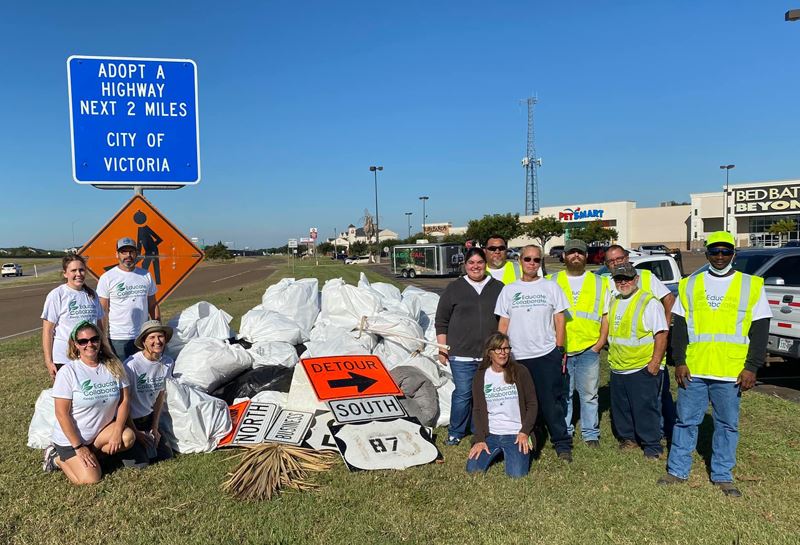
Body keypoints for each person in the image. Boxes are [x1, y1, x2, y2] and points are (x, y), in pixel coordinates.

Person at [658, 231, 770, 497]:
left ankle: (722, 474)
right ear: (706, 253)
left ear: (734, 253)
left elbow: (760, 330)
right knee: (685, 421)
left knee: (727, 424)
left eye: (726, 251)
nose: (720, 257)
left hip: (731, 371)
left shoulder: (752, 285)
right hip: (695, 369)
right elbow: (681, 328)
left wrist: (752, 367)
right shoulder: (689, 285)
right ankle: (677, 470)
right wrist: (680, 362)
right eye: (715, 252)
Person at [496, 245, 574, 462]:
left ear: (541, 263)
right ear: (520, 261)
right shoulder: (509, 290)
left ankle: (562, 443)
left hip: (546, 353)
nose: (532, 263)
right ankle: (531, 439)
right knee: (522, 403)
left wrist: (559, 348)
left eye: (536, 260)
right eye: (528, 259)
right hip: (517, 356)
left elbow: (560, 319)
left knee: (551, 402)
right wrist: (499, 351)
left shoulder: (551, 287)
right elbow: (504, 322)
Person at [42, 321, 135, 485]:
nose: (89, 344)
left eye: (94, 339)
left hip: (98, 433)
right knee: (91, 479)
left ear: (100, 340)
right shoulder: (68, 372)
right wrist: (78, 447)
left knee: (127, 437)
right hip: (71, 440)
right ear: (75, 345)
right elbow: (61, 413)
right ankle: (55, 458)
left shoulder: (114, 365)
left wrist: (117, 431)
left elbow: (124, 400)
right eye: (83, 341)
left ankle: (93, 452)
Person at [604, 244, 677, 439]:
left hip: (649, 355)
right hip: (622, 361)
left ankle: (662, 434)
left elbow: (669, 299)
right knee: (629, 402)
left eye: (619, 259)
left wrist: (664, 328)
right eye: (611, 261)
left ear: (627, 257)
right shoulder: (609, 283)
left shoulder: (645, 277)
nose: (615, 263)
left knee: (656, 398)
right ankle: (635, 437)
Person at [435, 247, 504, 446]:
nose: (476, 266)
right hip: (461, 354)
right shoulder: (454, 288)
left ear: (486, 264)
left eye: (479, 262)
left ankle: (479, 429)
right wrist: (442, 347)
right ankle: (455, 431)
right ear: (465, 265)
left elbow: (505, 318)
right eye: (471, 263)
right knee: (464, 393)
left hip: (488, 354)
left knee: (483, 394)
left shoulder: (497, 287)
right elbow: (442, 320)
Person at [548, 239, 609, 447]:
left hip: (588, 349)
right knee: (564, 394)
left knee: (589, 394)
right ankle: (565, 431)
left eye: (580, 253)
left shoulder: (599, 282)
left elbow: (605, 316)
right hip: (561, 349)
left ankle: (590, 434)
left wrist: (599, 344)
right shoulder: (551, 281)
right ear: (564, 256)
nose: (576, 256)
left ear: (586, 256)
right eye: (571, 252)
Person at [466, 332, 538, 478]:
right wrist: (480, 439)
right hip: (491, 434)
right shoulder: (481, 376)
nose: (503, 353)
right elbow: (478, 410)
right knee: (472, 470)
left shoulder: (520, 371)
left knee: (517, 475)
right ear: (489, 353)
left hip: (516, 434)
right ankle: (499, 451)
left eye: (506, 349)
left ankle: (510, 451)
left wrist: (525, 431)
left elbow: (532, 404)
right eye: (498, 349)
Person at [41, 254, 104, 381]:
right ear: (65, 273)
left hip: (88, 357)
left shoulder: (92, 295)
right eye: (73, 270)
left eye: (81, 270)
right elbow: (47, 331)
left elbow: (99, 327)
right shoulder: (57, 295)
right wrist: (49, 361)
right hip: (64, 359)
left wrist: (104, 350)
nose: (78, 274)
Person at [122, 320, 175, 467]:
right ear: (144, 342)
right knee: (140, 464)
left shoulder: (167, 363)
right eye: (152, 338)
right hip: (131, 421)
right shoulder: (131, 366)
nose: (157, 341)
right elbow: (122, 402)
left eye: (160, 337)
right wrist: (136, 432)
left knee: (165, 457)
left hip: (149, 420)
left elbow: (160, 396)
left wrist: (155, 427)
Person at [97, 237, 159, 361]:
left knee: (143, 374)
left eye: (131, 251)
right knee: (123, 375)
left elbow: (153, 305)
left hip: (143, 336)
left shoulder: (146, 275)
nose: (128, 255)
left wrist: (157, 329)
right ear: (117, 254)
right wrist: (102, 338)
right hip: (118, 338)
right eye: (123, 252)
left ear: (136, 254)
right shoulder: (107, 278)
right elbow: (103, 311)